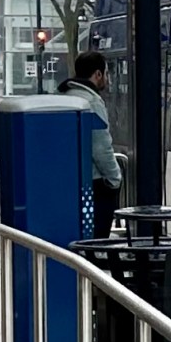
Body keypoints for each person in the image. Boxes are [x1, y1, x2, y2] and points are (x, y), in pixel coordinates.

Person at [61, 53, 120, 234]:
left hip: (70, 180)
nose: (107, 79)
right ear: (98, 74)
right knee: (97, 237)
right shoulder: (92, 102)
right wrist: (115, 178)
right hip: (95, 183)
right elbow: (101, 146)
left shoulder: (65, 97)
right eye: (106, 73)